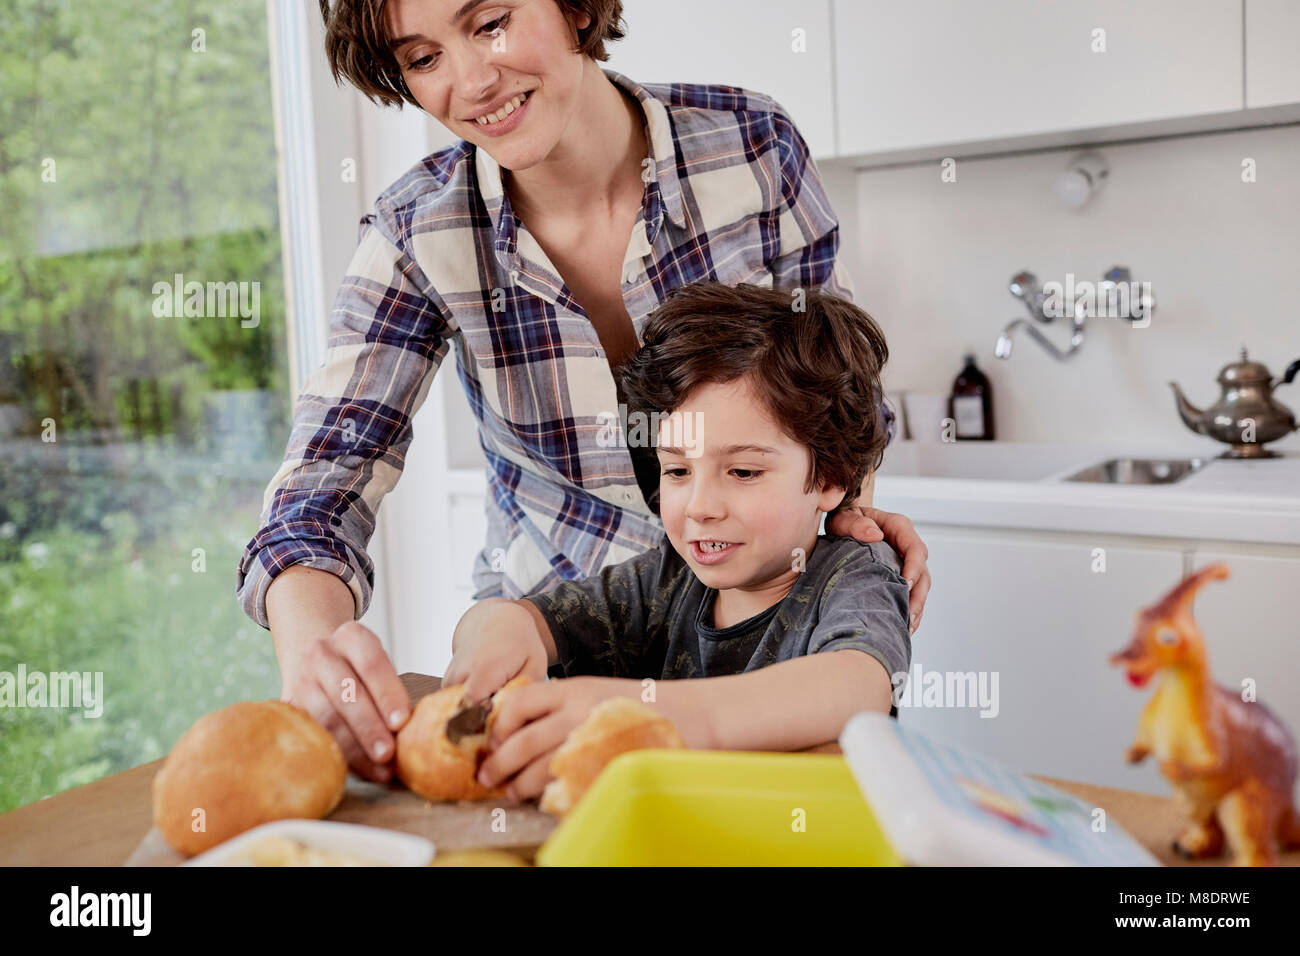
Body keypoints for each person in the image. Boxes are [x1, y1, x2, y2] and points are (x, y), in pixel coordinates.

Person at [236, 0, 932, 783]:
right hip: (557, 686)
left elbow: (845, 395)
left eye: (491, 21)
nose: (470, 80)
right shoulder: (416, 232)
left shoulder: (752, 148)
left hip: (774, 681)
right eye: (422, 58)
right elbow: (321, 488)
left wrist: (844, 511)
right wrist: (314, 659)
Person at [447, 281, 910, 800]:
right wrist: (500, 631)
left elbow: (857, 688)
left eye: (742, 471)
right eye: (678, 471)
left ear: (829, 479)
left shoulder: (855, 574)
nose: (700, 507)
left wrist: (653, 717)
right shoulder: (664, 580)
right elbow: (515, 617)